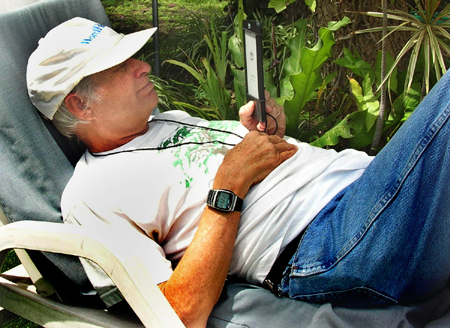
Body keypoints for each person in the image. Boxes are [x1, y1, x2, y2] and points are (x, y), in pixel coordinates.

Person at [27, 17, 450, 328]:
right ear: (80, 105)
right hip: (335, 242)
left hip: (366, 191)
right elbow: (176, 314)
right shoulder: (91, 196)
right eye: (121, 64)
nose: (143, 66)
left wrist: (261, 141)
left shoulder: (164, 119)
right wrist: (229, 183)